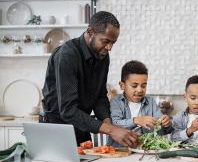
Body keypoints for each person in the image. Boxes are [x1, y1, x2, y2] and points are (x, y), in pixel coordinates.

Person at [41, 11, 138, 147]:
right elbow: (68, 111)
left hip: (82, 126)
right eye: (105, 41)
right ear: (90, 31)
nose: (109, 47)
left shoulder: (102, 55)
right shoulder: (67, 55)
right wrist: (112, 130)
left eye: (113, 43)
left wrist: (108, 124)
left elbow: (99, 96)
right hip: (57, 129)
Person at [107, 60, 172, 147]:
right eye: (134, 86)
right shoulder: (116, 102)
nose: (140, 90)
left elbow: (162, 130)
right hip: (119, 150)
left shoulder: (151, 102)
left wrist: (166, 124)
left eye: (143, 86)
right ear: (122, 85)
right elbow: (114, 124)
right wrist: (136, 120)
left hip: (144, 150)